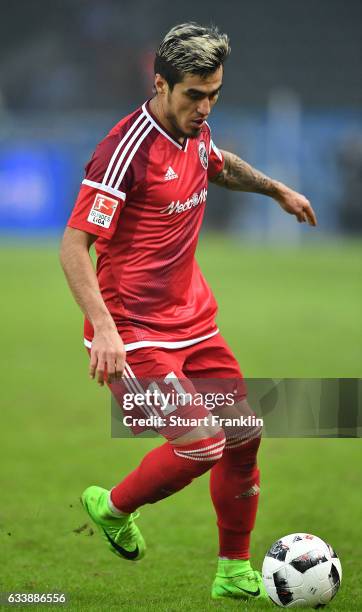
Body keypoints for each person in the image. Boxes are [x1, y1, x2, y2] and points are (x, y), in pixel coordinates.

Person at [60, 22, 317, 602]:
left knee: (244, 433)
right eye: (194, 95)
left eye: (214, 94)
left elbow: (216, 163)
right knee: (202, 442)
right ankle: (112, 507)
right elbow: (74, 246)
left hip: (193, 322)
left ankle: (232, 569)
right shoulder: (123, 153)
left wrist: (276, 189)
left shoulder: (195, 130)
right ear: (160, 84)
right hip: (131, 330)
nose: (205, 107)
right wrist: (103, 329)